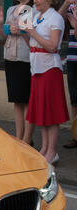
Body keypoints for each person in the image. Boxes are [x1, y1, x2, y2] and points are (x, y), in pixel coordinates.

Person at [25, 0, 70, 164]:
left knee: (51, 112)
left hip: (49, 68)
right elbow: (31, 43)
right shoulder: (37, 17)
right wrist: (25, 32)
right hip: (36, 68)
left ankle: (52, 151)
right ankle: (44, 148)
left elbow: (52, 46)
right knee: (43, 111)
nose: (35, 1)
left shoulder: (55, 18)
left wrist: (33, 33)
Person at [0, 1, 35, 144]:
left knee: (27, 100)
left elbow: (33, 37)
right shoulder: (11, 9)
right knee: (16, 99)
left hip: (25, 58)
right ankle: (18, 137)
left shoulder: (33, 9)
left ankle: (27, 139)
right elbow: (5, 35)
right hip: (10, 56)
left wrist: (22, 32)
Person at [59, 0, 77, 148]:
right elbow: (57, 20)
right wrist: (66, 3)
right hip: (72, 57)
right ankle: (76, 135)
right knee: (74, 99)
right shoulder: (71, 6)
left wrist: (76, 23)